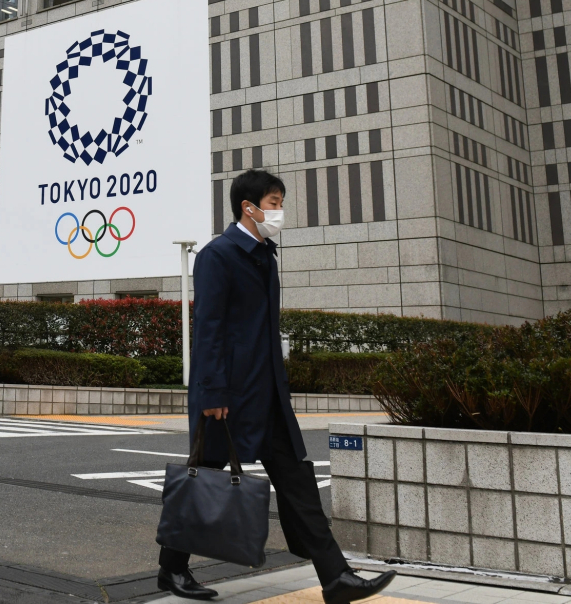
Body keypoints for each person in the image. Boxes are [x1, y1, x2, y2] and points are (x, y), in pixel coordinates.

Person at [157, 169, 396, 602]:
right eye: (272, 201)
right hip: (228, 397)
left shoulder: (265, 255)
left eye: (280, 201)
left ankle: (335, 576)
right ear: (247, 207)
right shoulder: (218, 255)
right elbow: (208, 327)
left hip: (267, 395)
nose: (279, 210)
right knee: (205, 481)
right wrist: (211, 393)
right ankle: (170, 569)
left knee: (297, 481)